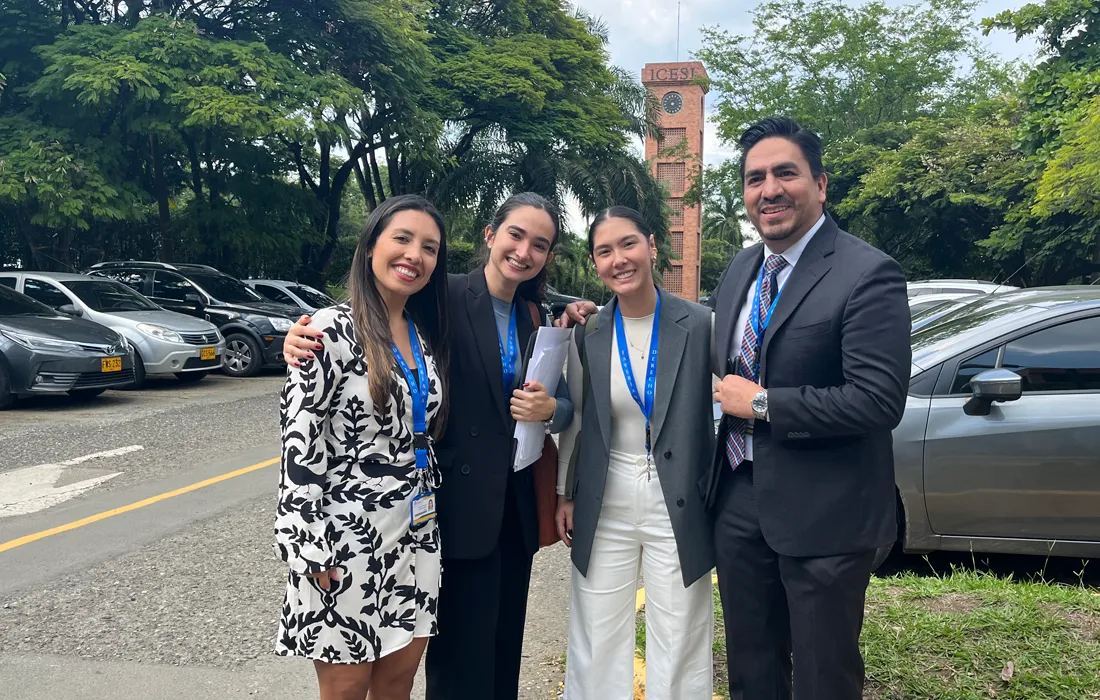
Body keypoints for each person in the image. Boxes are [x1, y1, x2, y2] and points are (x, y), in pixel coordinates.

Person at [282, 192, 573, 700]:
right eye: (516, 234)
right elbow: (301, 445)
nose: (524, 251)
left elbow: (560, 398)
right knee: (384, 676)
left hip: (432, 523)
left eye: (540, 244)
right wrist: (297, 336)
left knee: (416, 673)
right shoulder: (441, 300)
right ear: (490, 234)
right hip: (372, 528)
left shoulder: (533, 315)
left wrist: (554, 407)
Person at [704, 117, 911, 699]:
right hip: (740, 501)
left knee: (823, 678)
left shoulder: (867, 272)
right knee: (752, 670)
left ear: (820, 185)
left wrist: (763, 403)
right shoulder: (743, 268)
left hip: (827, 513)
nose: (768, 189)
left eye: (785, 173)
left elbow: (878, 400)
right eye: (754, 178)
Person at [273, 194, 450, 700]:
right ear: (371, 245)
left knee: (398, 682)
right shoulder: (328, 331)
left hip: (416, 534)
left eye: (430, 247)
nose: (415, 255)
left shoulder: (420, 332)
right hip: (342, 539)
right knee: (348, 687)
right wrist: (308, 549)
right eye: (403, 238)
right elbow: (298, 444)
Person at [554, 207, 717, 700]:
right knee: (596, 628)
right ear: (594, 261)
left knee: (682, 630)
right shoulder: (590, 332)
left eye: (628, 244)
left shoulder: (701, 323)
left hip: (679, 494)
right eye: (604, 251)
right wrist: (566, 492)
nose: (618, 259)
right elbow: (579, 418)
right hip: (607, 495)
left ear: (651, 244)